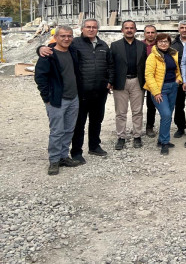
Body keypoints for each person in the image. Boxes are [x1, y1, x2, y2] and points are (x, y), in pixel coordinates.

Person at [37, 18, 112, 164]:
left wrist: (110, 81)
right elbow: (55, 47)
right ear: (82, 29)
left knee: (94, 121)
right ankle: (74, 153)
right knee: (76, 125)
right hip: (80, 92)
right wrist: (40, 48)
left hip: (98, 91)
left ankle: (93, 147)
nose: (91, 29)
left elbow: (110, 64)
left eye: (94, 27)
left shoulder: (103, 45)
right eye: (88, 27)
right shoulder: (74, 44)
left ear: (97, 29)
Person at [35, 26, 83, 175]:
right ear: (55, 37)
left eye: (69, 36)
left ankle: (63, 156)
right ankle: (54, 160)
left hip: (73, 98)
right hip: (56, 100)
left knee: (69, 130)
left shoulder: (72, 52)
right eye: (62, 36)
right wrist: (47, 97)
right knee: (57, 131)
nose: (66, 38)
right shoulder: (48, 55)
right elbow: (40, 78)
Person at [110, 20, 147, 150]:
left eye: (132, 28)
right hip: (120, 82)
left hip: (137, 81)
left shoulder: (142, 46)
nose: (129, 30)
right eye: (126, 28)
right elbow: (111, 64)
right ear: (122, 30)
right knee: (120, 112)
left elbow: (145, 65)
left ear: (135, 30)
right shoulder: (115, 46)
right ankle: (121, 137)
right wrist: (110, 81)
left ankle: (137, 136)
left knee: (137, 111)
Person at [144, 33, 183, 155]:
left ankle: (161, 139)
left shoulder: (173, 54)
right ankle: (165, 142)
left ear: (169, 43)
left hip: (173, 87)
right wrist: (156, 92)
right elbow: (149, 75)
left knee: (168, 115)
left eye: (165, 41)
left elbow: (177, 70)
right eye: (160, 41)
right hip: (160, 90)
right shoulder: (152, 57)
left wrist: (178, 80)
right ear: (156, 43)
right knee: (166, 114)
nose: (163, 43)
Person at [171, 21, 186, 138]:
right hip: (178, 78)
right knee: (179, 104)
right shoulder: (173, 45)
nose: (184, 30)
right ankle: (180, 127)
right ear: (178, 29)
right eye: (182, 28)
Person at [142, 25, 158, 138]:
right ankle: (137, 128)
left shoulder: (159, 45)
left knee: (151, 104)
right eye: (148, 32)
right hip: (140, 78)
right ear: (144, 34)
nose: (150, 34)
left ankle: (149, 126)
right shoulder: (139, 45)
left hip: (154, 79)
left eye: (152, 32)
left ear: (155, 33)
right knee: (137, 106)